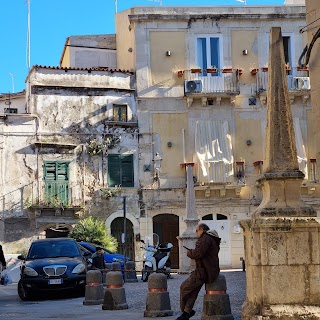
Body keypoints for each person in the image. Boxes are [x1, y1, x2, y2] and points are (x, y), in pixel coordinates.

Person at [176, 223, 221, 320]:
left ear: (202, 230)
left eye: (197, 231)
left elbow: (198, 253)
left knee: (184, 287)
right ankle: (186, 313)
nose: (196, 233)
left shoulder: (205, 238)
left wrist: (189, 252)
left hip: (202, 271)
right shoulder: (210, 238)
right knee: (193, 292)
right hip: (207, 270)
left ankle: (185, 310)